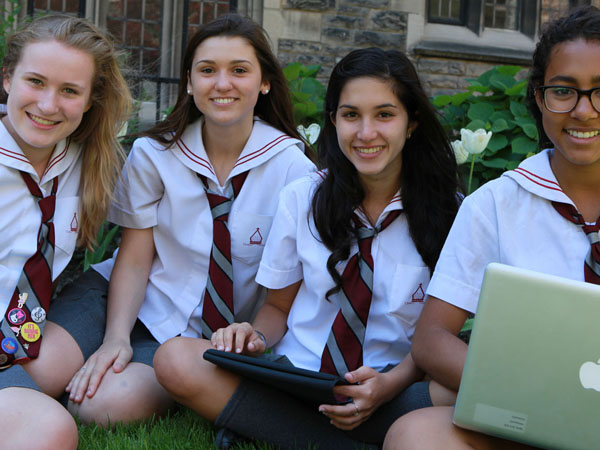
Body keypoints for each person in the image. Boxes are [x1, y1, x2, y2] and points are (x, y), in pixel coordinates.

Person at [153, 47, 460, 450]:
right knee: (175, 359)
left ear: (411, 122)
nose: (366, 133)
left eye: (385, 115)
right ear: (333, 120)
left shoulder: (451, 213)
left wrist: (388, 385)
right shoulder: (303, 197)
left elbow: (435, 338)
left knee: (456, 387)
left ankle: (275, 430)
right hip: (296, 379)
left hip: (391, 386)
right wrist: (253, 335)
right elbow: (278, 308)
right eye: (351, 115)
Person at [63, 13, 315, 427]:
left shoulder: (293, 169)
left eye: (239, 70)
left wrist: (254, 337)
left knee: (106, 405)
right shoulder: (155, 155)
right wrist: (116, 340)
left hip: (232, 336)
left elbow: (287, 293)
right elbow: (135, 259)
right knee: (95, 407)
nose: (222, 84)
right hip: (150, 314)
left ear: (265, 82)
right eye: (207, 70)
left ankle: (186, 381)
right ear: (189, 82)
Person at [384, 6, 600, 450]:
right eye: (563, 91)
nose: (583, 111)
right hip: (534, 408)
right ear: (539, 96)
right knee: (414, 435)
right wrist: (537, 395)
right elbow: (432, 339)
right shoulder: (495, 205)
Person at [0, 14, 131, 450]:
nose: (48, 104)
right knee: (51, 429)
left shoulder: (86, 160)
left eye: (69, 91)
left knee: (97, 297)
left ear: (90, 100)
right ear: (7, 78)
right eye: (35, 81)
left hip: (25, 329)